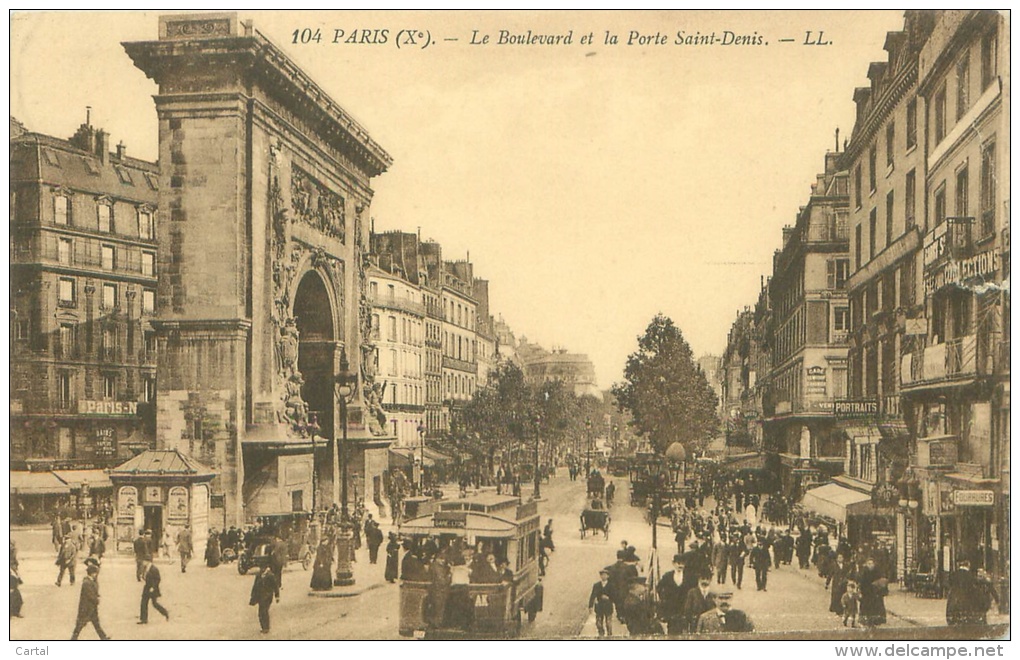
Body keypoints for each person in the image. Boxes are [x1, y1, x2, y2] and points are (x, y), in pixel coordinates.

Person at [71, 564, 109, 640]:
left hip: (91, 608)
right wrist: (96, 599)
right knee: (80, 624)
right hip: (86, 608)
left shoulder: (90, 581)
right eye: (95, 573)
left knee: (96, 624)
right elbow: (90, 595)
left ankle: (103, 637)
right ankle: (73, 638)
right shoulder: (87, 583)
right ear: (92, 573)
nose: (96, 575)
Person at [656, 554, 689, 635]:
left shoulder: (689, 577)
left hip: (684, 608)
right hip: (671, 609)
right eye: (678, 563)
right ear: (673, 563)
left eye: (682, 563)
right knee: (672, 631)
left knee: (684, 631)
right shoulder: (667, 576)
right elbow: (659, 588)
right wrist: (665, 599)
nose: (680, 565)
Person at [856, 557, 888, 628]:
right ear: (866, 564)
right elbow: (861, 583)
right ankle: (866, 620)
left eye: (871, 564)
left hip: (875, 593)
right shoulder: (864, 572)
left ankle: (875, 621)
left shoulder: (877, 572)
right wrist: (861, 591)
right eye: (869, 564)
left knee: (876, 608)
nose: (870, 565)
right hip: (866, 593)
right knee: (866, 608)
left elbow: (881, 582)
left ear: (874, 564)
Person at [250, 564, 279, 634]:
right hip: (260, 596)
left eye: (263, 568)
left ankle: (266, 627)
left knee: (264, 611)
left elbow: (275, 586)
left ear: (266, 568)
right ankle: (263, 626)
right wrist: (253, 595)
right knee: (260, 612)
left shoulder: (270, 576)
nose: (261, 569)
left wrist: (277, 596)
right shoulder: (258, 575)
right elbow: (255, 586)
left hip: (267, 597)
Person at [139, 559, 169, 624]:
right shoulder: (146, 568)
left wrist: (153, 587)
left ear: (147, 561)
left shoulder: (154, 569)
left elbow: (158, 579)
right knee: (143, 602)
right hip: (147, 587)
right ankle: (143, 619)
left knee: (155, 604)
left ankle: (165, 613)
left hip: (153, 588)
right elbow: (145, 576)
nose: (143, 562)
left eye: (144, 561)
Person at [427, 553, 452, 629]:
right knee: (439, 608)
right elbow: (442, 581)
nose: (443, 561)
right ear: (439, 559)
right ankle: (437, 625)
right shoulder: (438, 568)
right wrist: (449, 576)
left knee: (437, 608)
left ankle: (435, 623)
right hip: (440, 591)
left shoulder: (434, 566)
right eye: (442, 559)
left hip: (436, 591)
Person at [589, 568, 615, 637]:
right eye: (602, 575)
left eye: (605, 575)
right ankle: (601, 634)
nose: (603, 576)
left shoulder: (611, 585)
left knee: (608, 623)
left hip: (608, 606)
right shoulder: (596, 585)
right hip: (599, 606)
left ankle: (609, 636)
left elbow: (615, 596)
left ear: (608, 576)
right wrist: (590, 606)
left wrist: (609, 598)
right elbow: (593, 595)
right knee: (598, 623)